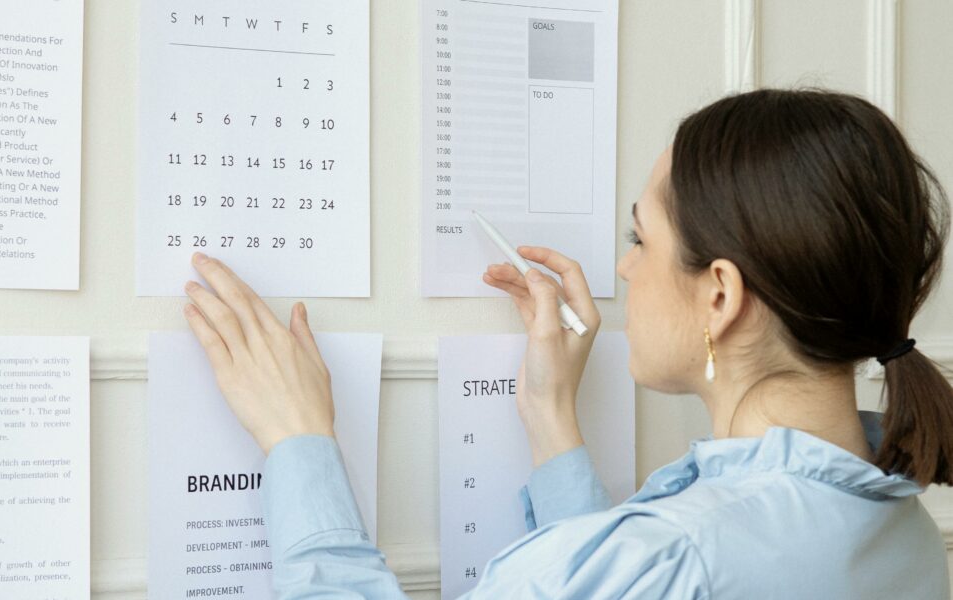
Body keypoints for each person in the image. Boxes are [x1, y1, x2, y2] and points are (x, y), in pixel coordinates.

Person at [181, 88, 953, 598]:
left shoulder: (670, 560)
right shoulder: (904, 531)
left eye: (639, 236)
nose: (623, 265)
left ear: (720, 295)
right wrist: (551, 415)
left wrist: (298, 440)